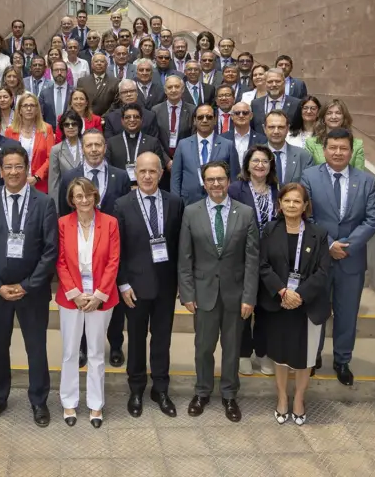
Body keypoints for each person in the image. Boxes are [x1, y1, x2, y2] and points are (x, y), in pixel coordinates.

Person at [0, 147, 59, 427]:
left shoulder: (44, 202)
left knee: (36, 347)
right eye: (7, 167)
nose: (13, 172)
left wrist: (28, 285)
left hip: (31, 291)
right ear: (0, 170)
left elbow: (50, 250)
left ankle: (38, 400)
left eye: (18, 166)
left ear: (27, 168)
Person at [178, 161, 258, 422]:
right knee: (203, 347)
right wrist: (187, 293)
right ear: (204, 183)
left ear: (228, 181)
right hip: (203, 294)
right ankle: (202, 392)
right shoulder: (191, 212)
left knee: (232, 348)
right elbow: (185, 257)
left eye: (220, 179)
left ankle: (229, 395)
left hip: (236, 295)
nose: (216, 184)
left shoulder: (245, 213)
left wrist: (249, 296)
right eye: (210, 179)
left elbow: (252, 259)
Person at [301, 128, 375, 385]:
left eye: (343, 148)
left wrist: (345, 245)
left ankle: (342, 360)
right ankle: (313, 356)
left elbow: (372, 220)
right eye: (332, 148)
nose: (337, 153)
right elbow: (307, 217)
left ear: (351, 151)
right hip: (319, 260)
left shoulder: (366, 181)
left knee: (347, 313)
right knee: (316, 311)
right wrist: (330, 244)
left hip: (351, 260)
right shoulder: (309, 177)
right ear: (324, 150)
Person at [114, 152, 183, 417]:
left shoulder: (175, 203)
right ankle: (136, 389)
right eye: (142, 171)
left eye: (152, 171)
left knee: (162, 339)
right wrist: (122, 284)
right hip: (134, 287)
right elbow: (116, 250)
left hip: (166, 285)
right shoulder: (122, 205)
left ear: (160, 173)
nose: (146, 176)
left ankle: (161, 389)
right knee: (136, 340)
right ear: (135, 173)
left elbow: (179, 246)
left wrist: (179, 284)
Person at [259, 183, 331, 424]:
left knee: (305, 357)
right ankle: (282, 397)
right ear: (279, 204)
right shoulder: (270, 230)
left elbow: (323, 271)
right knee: (279, 355)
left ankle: (299, 398)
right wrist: (282, 291)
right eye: (287, 200)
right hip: (279, 303)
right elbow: (263, 265)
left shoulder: (318, 233)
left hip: (307, 304)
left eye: (296, 201)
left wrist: (299, 294)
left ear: (305, 206)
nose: (291, 205)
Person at [56, 177, 120, 428]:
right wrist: (74, 293)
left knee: (95, 352)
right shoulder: (63, 223)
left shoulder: (110, 223)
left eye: (88, 195)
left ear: (95, 196)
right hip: (71, 298)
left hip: (100, 298)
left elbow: (114, 261)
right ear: (71, 200)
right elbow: (60, 261)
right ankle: (69, 401)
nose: (84, 200)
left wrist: (98, 295)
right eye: (78, 196)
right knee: (70, 351)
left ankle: (96, 404)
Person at [228, 146, 280, 375]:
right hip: (242, 257)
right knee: (244, 307)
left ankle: (263, 352)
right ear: (247, 165)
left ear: (271, 166)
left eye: (265, 161)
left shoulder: (277, 191)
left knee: (267, 309)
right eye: (255, 160)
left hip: (271, 259)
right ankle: (243, 353)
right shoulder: (236, 190)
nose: (260, 165)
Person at [171, 103, 240, 204]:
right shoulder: (183, 144)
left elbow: (234, 178)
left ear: (215, 120)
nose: (204, 120)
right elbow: (175, 178)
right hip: (188, 202)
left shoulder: (228, 145)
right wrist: (176, 203)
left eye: (209, 117)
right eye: (200, 117)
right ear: (194, 121)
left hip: (220, 201)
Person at [58, 128, 130, 217]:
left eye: (98, 145)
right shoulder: (68, 178)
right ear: (82, 149)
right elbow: (65, 213)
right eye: (89, 145)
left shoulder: (121, 177)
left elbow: (126, 212)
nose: (94, 149)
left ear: (105, 148)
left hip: (112, 229)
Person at [106, 102, 169, 187]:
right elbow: (108, 170)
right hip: (119, 190)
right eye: (127, 117)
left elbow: (159, 169)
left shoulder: (153, 142)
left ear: (141, 120)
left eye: (136, 117)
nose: (132, 120)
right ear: (122, 121)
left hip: (146, 189)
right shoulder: (111, 143)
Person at [4, 92, 54, 194]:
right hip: (16, 182)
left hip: (40, 184)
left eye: (32, 105)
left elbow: (51, 158)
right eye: (25, 105)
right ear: (20, 110)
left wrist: (37, 177)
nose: (29, 109)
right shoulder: (10, 131)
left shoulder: (46, 129)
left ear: (37, 110)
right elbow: (6, 158)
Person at [305, 98, 365, 167]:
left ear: (344, 117)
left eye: (338, 113)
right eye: (329, 113)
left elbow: (359, 175)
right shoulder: (311, 143)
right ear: (323, 118)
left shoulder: (357, 145)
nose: (333, 117)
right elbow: (308, 173)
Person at [48, 110, 85, 212]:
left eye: (74, 124)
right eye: (66, 124)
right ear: (62, 128)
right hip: (66, 200)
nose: (70, 127)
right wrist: (55, 208)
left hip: (87, 196)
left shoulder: (88, 145)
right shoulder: (56, 150)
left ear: (79, 126)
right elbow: (53, 182)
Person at [152, 75, 194, 158]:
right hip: (162, 160)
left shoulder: (192, 110)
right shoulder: (155, 110)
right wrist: (167, 161)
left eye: (177, 87)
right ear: (165, 90)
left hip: (186, 157)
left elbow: (193, 137)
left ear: (182, 89)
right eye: (170, 87)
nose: (173, 90)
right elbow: (154, 139)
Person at [251, 69, 302, 133]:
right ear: (265, 83)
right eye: (270, 82)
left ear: (284, 83)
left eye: (278, 81)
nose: (274, 84)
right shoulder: (255, 104)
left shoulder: (296, 104)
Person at [222, 101, 268, 167]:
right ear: (232, 116)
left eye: (245, 113)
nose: (241, 115)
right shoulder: (223, 139)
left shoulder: (262, 140)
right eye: (237, 113)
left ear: (251, 116)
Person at [38, 60, 74, 128]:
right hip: (50, 133)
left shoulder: (74, 92)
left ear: (67, 72)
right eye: (56, 70)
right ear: (51, 72)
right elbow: (40, 116)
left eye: (62, 70)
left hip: (70, 130)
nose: (59, 73)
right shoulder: (44, 93)